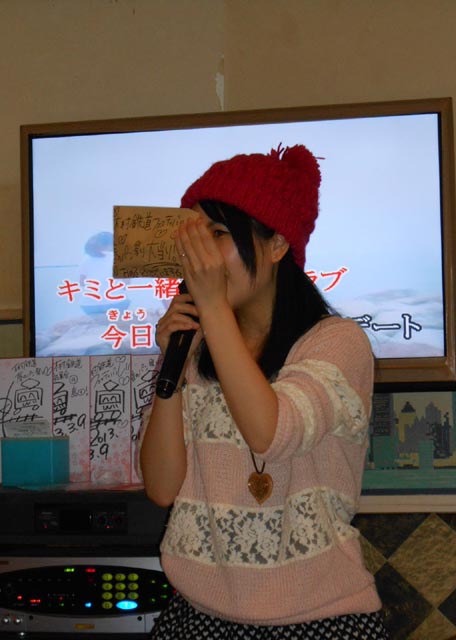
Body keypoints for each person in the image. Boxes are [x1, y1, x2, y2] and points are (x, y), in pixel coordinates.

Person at [140, 144, 389, 639]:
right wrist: (173, 368)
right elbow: (162, 488)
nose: (200, 257)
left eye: (217, 235)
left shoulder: (337, 343)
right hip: (198, 618)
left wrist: (213, 309)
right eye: (193, 239)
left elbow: (271, 433)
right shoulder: (199, 347)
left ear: (276, 245)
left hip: (319, 622)